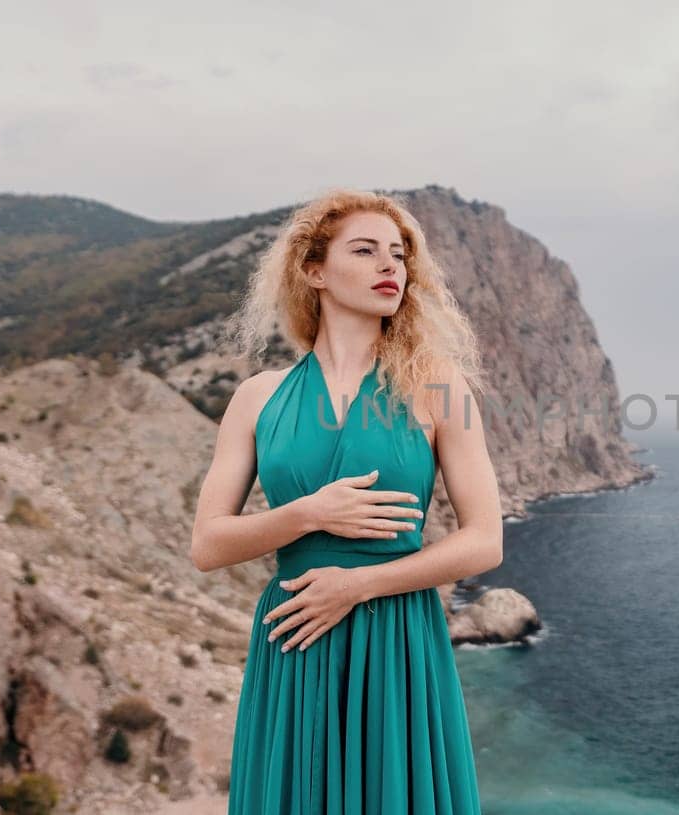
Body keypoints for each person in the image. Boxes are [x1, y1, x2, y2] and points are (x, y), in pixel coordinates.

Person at [191, 187, 501, 813]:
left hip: (395, 636)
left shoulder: (437, 385)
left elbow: (484, 541)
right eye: (365, 251)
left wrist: (360, 586)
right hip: (296, 634)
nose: (391, 266)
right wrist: (307, 515)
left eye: (399, 254)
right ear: (314, 271)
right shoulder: (258, 396)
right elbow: (207, 545)